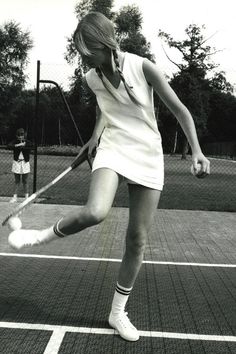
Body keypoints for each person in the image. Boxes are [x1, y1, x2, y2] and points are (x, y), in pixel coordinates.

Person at [8, 12, 210, 342]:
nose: (85, 59)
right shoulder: (92, 77)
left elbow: (180, 110)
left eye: (89, 52)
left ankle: (117, 313)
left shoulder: (142, 67)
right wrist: (94, 137)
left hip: (147, 152)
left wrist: (198, 151)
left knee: (137, 240)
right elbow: (106, 106)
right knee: (95, 212)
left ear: (106, 45)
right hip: (114, 146)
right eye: (82, 54)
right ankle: (36, 236)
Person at [8, 128, 32, 203]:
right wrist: (18, 145)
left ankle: (26, 197)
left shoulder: (27, 142)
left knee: (25, 181)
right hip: (17, 163)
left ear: (24, 135)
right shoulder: (15, 142)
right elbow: (9, 146)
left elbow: (32, 145)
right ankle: (15, 197)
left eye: (22, 135)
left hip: (25, 163)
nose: (20, 137)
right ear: (16, 136)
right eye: (19, 135)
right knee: (17, 181)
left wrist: (24, 144)